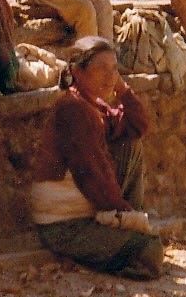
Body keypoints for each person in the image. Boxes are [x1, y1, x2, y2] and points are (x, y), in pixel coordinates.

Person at [29, 36, 164, 279]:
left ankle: (120, 238)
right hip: (63, 227)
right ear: (77, 72)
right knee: (150, 251)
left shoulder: (93, 104)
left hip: (84, 215)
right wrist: (128, 219)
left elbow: (138, 126)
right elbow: (93, 177)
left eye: (114, 69)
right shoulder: (74, 109)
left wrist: (121, 88)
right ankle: (114, 244)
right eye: (101, 69)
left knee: (130, 144)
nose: (110, 76)